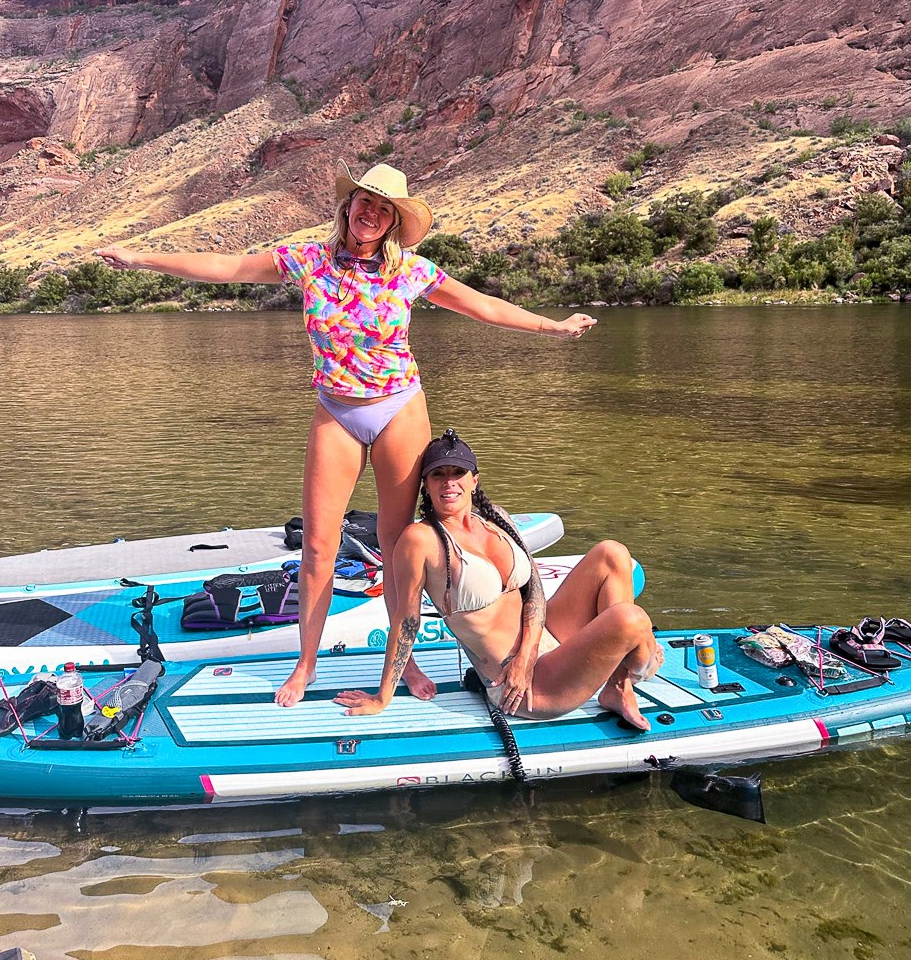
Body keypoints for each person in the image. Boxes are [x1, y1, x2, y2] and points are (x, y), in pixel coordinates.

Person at [96, 161, 595, 706]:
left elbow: (483, 306)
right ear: (348, 206)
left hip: (398, 409)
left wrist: (555, 326)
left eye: (385, 209)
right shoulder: (309, 260)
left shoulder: (412, 271)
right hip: (336, 410)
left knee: (397, 544)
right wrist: (140, 257)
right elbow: (226, 266)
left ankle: (404, 666)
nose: (371, 214)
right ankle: (305, 666)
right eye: (365, 202)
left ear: (394, 222)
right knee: (317, 546)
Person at [335, 429, 661, 726]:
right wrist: (382, 698)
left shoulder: (495, 518)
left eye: (457, 472)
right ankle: (638, 660)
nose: (449, 482)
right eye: (438, 475)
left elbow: (533, 590)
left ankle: (618, 687)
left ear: (474, 480)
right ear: (427, 485)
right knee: (629, 619)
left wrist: (528, 654)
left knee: (612, 552)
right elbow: (406, 621)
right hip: (522, 685)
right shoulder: (421, 540)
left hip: (538, 647)